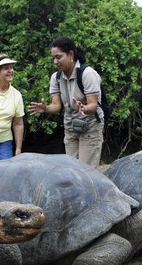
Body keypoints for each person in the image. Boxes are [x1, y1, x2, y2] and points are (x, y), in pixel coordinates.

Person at [28, 36, 104, 168]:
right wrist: (46, 109)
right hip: (70, 126)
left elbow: (93, 105)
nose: (55, 61)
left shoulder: (87, 74)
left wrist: (84, 108)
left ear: (70, 54)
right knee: (70, 169)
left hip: (90, 126)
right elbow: (57, 106)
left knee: (87, 170)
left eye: (58, 57)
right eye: (53, 58)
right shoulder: (56, 77)